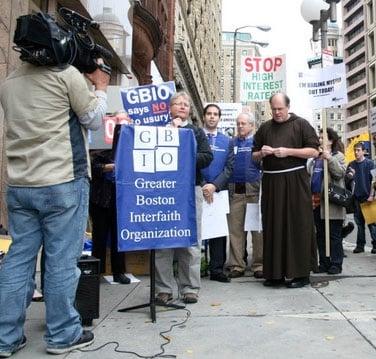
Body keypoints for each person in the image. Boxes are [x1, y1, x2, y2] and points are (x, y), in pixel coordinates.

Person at [0, 56, 110, 356]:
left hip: (21, 184)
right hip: (62, 181)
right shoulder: (66, 74)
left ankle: (5, 338)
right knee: (61, 260)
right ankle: (62, 334)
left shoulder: (9, 82)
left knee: (18, 260)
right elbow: (93, 118)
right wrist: (100, 88)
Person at [253, 93, 319, 289]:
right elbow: (253, 156)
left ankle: (301, 273)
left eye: (280, 109)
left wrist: (289, 151)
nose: (277, 112)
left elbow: (314, 151)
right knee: (274, 225)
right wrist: (261, 153)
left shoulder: (301, 124)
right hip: (272, 182)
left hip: (295, 181)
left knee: (298, 224)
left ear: (288, 107)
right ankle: (274, 273)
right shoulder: (265, 128)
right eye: (273, 109)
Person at [155, 91, 213, 305]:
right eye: (177, 103)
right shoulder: (159, 131)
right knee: (163, 242)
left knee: (191, 240)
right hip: (164, 191)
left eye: (185, 104)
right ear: (170, 108)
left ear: (189, 110)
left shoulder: (196, 132)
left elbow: (207, 157)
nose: (182, 107)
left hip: (190, 190)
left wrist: (184, 152)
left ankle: (190, 288)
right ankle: (163, 289)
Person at [89, 111, 132, 284]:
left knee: (119, 237)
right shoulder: (102, 144)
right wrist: (110, 167)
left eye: (125, 121)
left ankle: (119, 271)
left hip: (121, 198)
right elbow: (92, 166)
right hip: (101, 197)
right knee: (99, 236)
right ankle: (97, 272)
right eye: (119, 121)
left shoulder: (130, 145)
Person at [226, 113, 263, 279]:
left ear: (251, 126)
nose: (240, 126)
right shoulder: (231, 142)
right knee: (235, 231)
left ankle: (259, 265)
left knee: (257, 230)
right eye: (238, 123)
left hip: (253, 191)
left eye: (243, 123)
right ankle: (236, 265)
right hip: (235, 192)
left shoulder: (257, 143)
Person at [201, 104, 234, 283]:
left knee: (218, 231)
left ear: (219, 118)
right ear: (204, 116)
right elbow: (190, 163)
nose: (212, 117)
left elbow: (229, 168)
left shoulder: (227, 141)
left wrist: (214, 185)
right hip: (198, 189)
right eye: (209, 114)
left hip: (219, 192)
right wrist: (204, 185)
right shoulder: (195, 137)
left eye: (215, 114)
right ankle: (197, 266)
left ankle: (217, 269)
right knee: (198, 229)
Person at [308, 128, 346, 274]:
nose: (320, 139)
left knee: (334, 235)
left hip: (331, 203)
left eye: (322, 137)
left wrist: (329, 158)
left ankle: (336, 263)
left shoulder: (338, 156)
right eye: (319, 137)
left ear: (331, 140)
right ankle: (323, 262)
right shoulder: (316, 158)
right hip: (316, 201)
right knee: (321, 234)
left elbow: (339, 173)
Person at [345, 142, 376, 253]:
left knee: (372, 224)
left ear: (364, 151)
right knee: (359, 224)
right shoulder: (351, 164)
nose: (356, 152)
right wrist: (350, 175)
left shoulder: (370, 164)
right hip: (356, 198)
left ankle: (375, 245)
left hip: (368, 198)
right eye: (355, 150)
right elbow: (346, 181)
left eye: (358, 150)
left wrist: (372, 195)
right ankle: (360, 246)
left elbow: (374, 181)